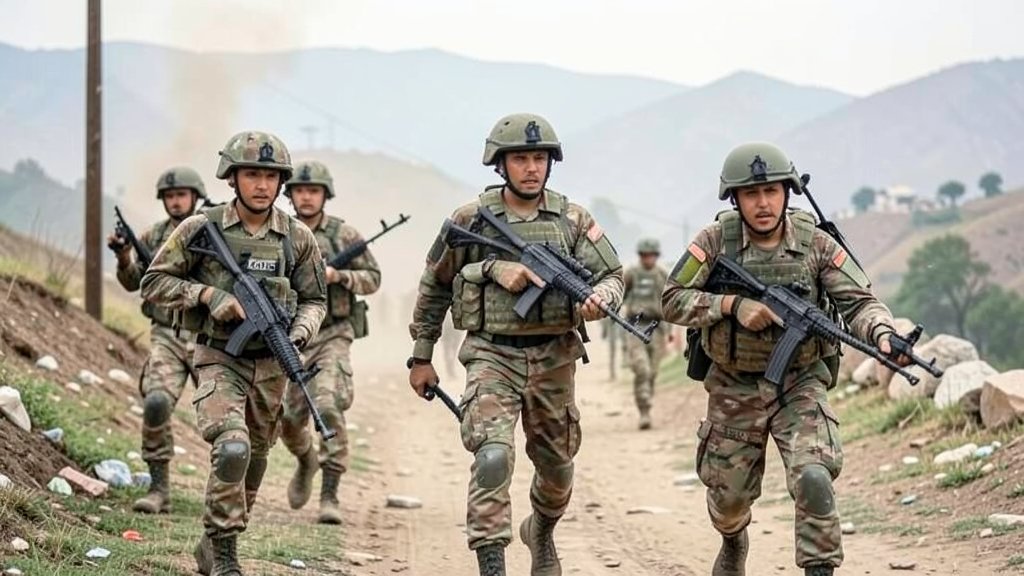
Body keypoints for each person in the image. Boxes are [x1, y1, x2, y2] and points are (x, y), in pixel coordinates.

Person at [661, 142, 910, 576]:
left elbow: (859, 303)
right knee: (728, 500)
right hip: (733, 383)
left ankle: (820, 568)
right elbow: (672, 299)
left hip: (799, 380)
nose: (763, 203)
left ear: (787, 193)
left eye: (772, 192)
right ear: (734, 199)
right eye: (752, 194)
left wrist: (884, 335)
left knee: (814, 476)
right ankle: (734, 541)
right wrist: (732, 307)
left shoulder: (816, 243)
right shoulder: (714, 241)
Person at [407, 113, 623, 576]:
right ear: (500, 165)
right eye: (521, 159)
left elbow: (612, 274)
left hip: (555, 356)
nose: (531, 167)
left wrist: (602, 297)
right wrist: (422, 355)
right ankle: (492, 566)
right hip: (491, 353)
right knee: (492, 455)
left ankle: (541, 531)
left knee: (558, 468)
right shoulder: (470, 220)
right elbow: (434, 285)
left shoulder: (572, 219)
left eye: (539, 159)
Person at [141, 131, 326, 576]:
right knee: (232, 446)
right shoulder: (200, 228)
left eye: (269, 176)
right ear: (232, 179)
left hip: (272, 365)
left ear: (281, 182)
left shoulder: (297, 238)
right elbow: (152, 283)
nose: (261, 185)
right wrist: (207, 296)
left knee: (257, 456)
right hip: (219, 355)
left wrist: (298, 334)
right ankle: (225, 556)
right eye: (251, 175)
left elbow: (315, 300)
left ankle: (216, 539)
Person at [278, 160, 381, 524]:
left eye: (313, 191)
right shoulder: (278, 232)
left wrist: (339, 276)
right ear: (290, 195)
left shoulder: (344, 235)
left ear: (325, 195)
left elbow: (373, 278)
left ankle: (330, 495)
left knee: (328, 404)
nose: (306, 197)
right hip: (288, 337)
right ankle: (306, 460)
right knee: (288, 419)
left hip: (333, 333)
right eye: (300, 191)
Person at [108, 166, 206, 514]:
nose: (176, 202)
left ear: (196, 197)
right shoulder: (152, 236)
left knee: (223, 419)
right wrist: (122, 256)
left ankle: (231, 494)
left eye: (181, 195)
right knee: (156, 403)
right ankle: (159, 488)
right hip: (166, 335)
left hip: (210, 339)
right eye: (169, 196)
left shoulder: (213, 231)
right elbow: (134, 282)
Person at [621, 238, 670, 430]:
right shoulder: (631, 273)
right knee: (642, 369)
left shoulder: (662, 275)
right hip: (636, 326)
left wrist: (671, 331)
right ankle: (644, 410)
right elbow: (620, 295)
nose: (648, 259)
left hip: (657, 327)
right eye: (644, 255)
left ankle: (647, 402)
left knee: (653, 372)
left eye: (651, 255)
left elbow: (670, 302)